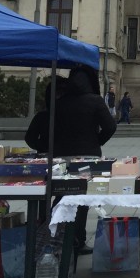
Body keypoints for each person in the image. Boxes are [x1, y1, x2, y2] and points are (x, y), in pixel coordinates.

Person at [25, 65, 117, 254]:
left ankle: (54, 235)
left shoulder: (60, 103)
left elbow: (50, 129)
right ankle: (77, 240)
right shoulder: (95, 101)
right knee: (82, 198)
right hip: (87, 160)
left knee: (61, 195)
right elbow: (110, 127)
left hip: (61, 157)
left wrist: (48, 148)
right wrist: (96, 141)